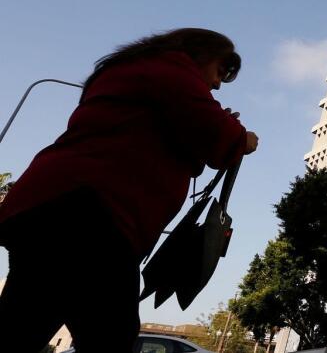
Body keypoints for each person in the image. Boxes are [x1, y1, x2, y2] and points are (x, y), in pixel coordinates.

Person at [0, 28, 260, 353]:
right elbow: (220, 140)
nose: (218, 84)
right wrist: (243, 138)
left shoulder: (135, 70)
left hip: (49, 207)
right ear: (200, 53)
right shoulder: (172, 69)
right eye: (220, 71)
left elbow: (170, 129)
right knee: (110, 336)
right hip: (92, 214)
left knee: (21, 327)